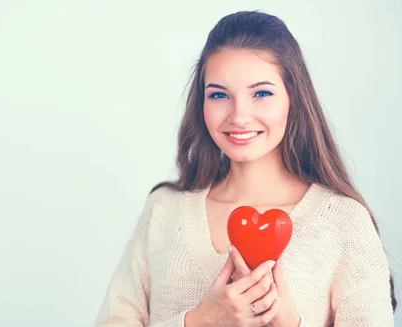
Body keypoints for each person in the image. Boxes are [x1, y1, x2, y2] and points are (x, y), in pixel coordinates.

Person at [94, 10, 397, 327]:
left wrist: (291, 324)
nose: (239, 116)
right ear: (202, 103)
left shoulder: (343, 222)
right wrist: (198, 322)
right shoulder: (163, 211)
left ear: (293, 97)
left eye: (262, 93)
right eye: (219, 95)